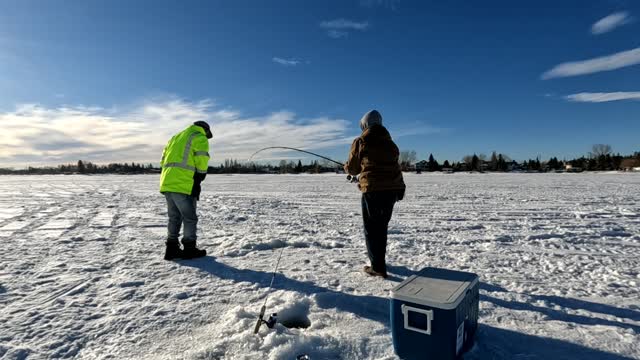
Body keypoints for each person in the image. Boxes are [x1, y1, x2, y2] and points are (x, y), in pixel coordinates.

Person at [344, 110, 406, 278]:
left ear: (364, 125)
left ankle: (378, 267)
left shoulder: (361, 140)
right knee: (381, 226)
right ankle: (379, 261)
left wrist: (346, 168)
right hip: (393, 189)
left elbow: (352, 168)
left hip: (373, 190)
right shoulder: (391, 143)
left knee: (372, 229)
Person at [159, 121, 212, 260]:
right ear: (205, 130)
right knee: (190, 218)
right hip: (184, 183)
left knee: (174, 217)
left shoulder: (175, 138)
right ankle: (189, 248)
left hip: (167, 182)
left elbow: (162, 160)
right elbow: (202, 159)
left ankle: (171, 249)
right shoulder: (199, 137)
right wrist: (199, 177)